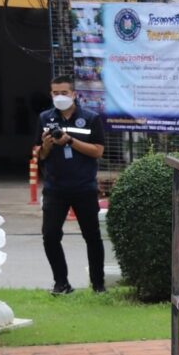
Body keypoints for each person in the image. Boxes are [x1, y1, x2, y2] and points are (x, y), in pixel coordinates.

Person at [35, 75, 106, 295]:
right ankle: (61, 283)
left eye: (64, 93)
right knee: (50, 236)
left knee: (92, 236)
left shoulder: (91, 118)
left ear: (74, 94)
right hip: (55, 188)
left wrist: (70, 141)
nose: (60, 97)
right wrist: (46, 146)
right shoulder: (45, 118)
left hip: (84, 187)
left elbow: (98, 151)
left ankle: (98, 285)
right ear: (51, 94)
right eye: (55, 93)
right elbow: (39, 154)